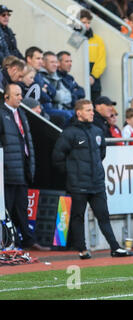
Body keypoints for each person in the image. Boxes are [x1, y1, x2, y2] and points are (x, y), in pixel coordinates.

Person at [52, 99, 133, 258]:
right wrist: (72, 172)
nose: (92, 113)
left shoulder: (97, 131)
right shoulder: (69, 133)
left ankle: (115, 248)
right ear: (79, 113)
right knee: (78, 216)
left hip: (96, 182)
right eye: (88, 110)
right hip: (78, 184)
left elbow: (101, 154)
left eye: (92, 110)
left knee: (103, 215)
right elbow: (57, 157)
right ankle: (82, 250)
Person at [0, 84, 50, 251]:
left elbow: (26, 142)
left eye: (21, 94)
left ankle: (28, 240)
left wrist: (30, 166)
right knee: (6, 209)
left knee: (22, 208)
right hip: (7, 172)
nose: (21, 98)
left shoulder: (21, 113)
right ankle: (7, 241)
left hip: (22, 169)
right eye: (17, 95)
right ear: (6, 97)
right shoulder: (1, 114)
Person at [78, 9, 106, 102]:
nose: (86, 25)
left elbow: (101, 61)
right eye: (83, 22)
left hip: (94, 78)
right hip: (78, 75)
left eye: (88, 23)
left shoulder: (98, 40)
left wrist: (93, 76)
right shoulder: (73, 37)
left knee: (95, 104)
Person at [39, 51, 74, 122]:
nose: (55, 65)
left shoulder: (57, 77)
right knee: (68, 115)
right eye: (52, 62)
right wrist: (57, 95)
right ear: (43, 63)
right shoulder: (39, 77)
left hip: (59, 108)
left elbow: (69, 96)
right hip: (46, 109)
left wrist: (55, 94)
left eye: (56, 62)